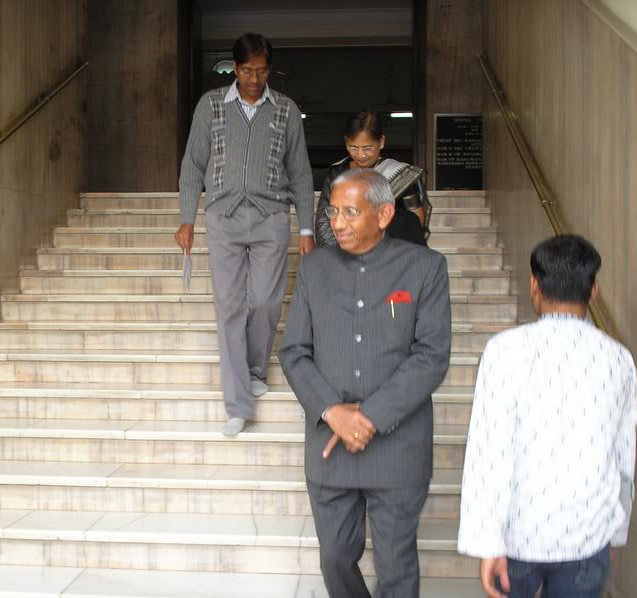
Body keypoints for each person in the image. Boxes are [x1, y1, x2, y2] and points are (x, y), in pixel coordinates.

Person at [279, 169, 452, 597]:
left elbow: (431, 356)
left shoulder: (425, 267)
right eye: (334, 211)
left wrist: (370, 416)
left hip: (398, 446)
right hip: (329, 445)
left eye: (351, 212)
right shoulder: (315, 267)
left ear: (385, 213)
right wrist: (333, 411)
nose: (338, 223)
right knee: (335, 557)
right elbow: (294, 351)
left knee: (395, 565)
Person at [457, 235, 637, 598]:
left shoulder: (504, 351)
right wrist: (614, 533)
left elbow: (489, 452)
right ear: (594, 291)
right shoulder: (619, 359)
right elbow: (623, 456)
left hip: (519, 537)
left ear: (534, 286)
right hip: (589, 537)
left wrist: (487, 542)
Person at [176, 33, 315, 437]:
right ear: (234, 69)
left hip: (271, 214)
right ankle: (238, 404)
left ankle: (255, 368)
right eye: (247, 70)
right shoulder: (212, 105)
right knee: (230, 308)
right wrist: (187, 218)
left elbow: (302, 173)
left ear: (270, 70)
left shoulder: (286, 111)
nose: (255, 78)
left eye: (262, 70)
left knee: (268, 300)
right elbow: (193, 164)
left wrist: (306, 227)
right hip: (223, 216)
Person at [314, 111, 431, 247]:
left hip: (388, 249)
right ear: (346, 142)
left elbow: (415, 219)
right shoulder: (337, 172)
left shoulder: (399, 174)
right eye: (354, 148)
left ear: (381, 142)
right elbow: (324, 219)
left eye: (367, 148)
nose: (361, 155)